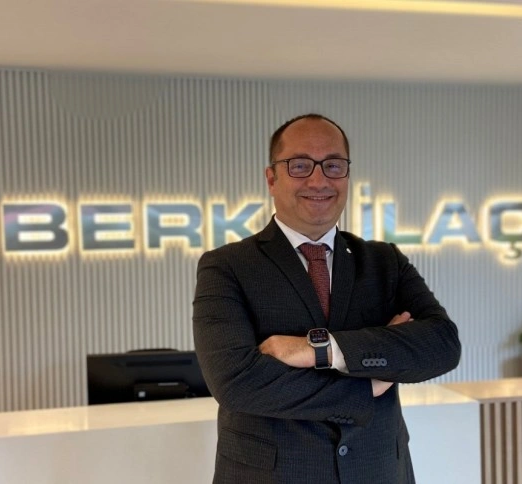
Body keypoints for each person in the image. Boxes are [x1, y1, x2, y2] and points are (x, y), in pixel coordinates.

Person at [193, 113, 461, 483]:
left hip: (377, 471)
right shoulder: (227, 266)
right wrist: (369, 385)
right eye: (300, 165)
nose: (319, 180)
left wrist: (322, 350)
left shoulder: (385, 261)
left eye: (333, 165)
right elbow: (236, 382)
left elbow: (443, 344)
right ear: (271, 178)